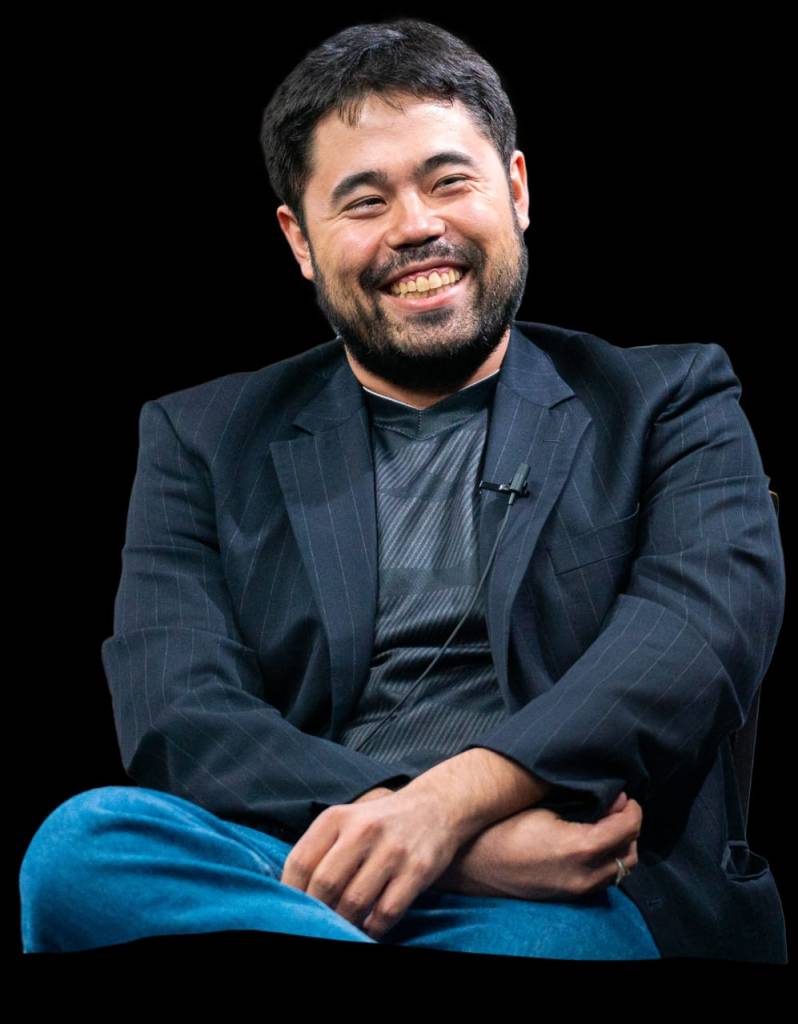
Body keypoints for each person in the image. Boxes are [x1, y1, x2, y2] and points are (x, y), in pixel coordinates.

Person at [19, 17, 786, 962]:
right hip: (304, 864)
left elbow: (696, 631)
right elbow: (180, 716)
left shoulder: (669, 398)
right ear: (300, 241)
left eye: (448, 181)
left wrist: (449, 806)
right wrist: (459, 850)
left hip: (574, 887)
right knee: (84, 847)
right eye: (365, 200)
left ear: (516, 190)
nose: (415, 226)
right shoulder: (200, 438)